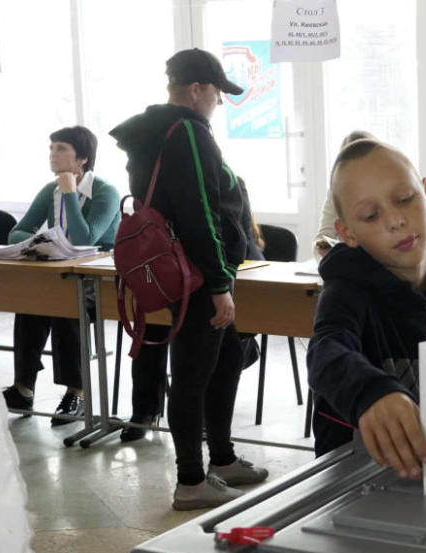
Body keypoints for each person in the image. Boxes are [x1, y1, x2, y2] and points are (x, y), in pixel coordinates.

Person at [110, 48, 268, 510]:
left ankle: (221, 459)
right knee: (194, 374)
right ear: (197, 89)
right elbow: (201, 214)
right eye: (218, 94)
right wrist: (219, 285)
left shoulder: (154, 133)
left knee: (227, 355)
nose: (218, 103)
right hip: (199, 275)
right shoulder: (188, 134)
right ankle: (192, 481)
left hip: (185, 269)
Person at [306, 139, 426, 463]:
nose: (395, 220)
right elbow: (325, 352)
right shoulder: (345, 297)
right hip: (359, 493)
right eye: (371, 215)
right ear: (346, 233)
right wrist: (371, 393)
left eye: (404, 199)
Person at [119, 175, 263, 443]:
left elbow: (235, 238)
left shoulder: (228, 181)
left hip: (229, 273)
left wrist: (219, 282)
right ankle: (144, 411)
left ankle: (210, 425)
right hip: (179, 271)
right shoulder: (168, 182)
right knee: (152, 325)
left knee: (213, 344)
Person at [1, 126, 120, 425]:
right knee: (31, 304)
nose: (53, 154)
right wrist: (35, 242)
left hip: (99, 281)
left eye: (61, 148)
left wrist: (69, 192)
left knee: (67, 306)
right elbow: (18, 229)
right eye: (52, 148)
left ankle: (76, 393)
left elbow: (84, 239)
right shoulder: (49, 189)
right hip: (61, 274)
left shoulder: (105, 192)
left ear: (82, 159)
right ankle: (23, 389)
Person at [314, 129, 376, 259]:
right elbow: (323, 236)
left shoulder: (388, 188)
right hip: (348, 264)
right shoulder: (336, 192)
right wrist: (325, 248)